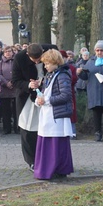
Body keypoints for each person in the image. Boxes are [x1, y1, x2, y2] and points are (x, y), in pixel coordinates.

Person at [12, 43, 57, 170]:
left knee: (44, 128)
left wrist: (43, 82)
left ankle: (46, 158)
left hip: (46, 96)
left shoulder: (50, 50)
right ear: (27, 54)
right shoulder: (19, 58)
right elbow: (15, 81)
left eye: (39, 59)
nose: (38, 61)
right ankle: (31, 160)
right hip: (27, 97)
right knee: (27, 128)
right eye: (34, 60)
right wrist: (28, 85)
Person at [34, 49, 74, 180]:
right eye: (44, 64)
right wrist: (39, 98)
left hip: (57, 115)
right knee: (48, 141)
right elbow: (44, 92)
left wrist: (47, 100)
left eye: (47, 63)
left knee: (56, 143)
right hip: (49, 113)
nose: (45, 66)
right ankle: (49, 169)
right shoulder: (50, 75)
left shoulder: (62, 75)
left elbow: (66, 95)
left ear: (55, 62)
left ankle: (57, 169)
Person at [77, 40, 103, 142]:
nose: (99, 52)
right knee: (96, 113)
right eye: (97, 50)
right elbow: (85, 76)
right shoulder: (90, 61)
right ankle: (97, 132)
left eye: (101, 50)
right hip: (94, 91)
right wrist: (80, 73)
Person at [0, 46, 16, 134]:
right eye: (6, 52)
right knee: (6, 110)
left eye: (9, 51)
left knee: (16, 110)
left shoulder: (16, 61)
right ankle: (7, 128)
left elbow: (19, 72)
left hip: (15, 88)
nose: (8, 53)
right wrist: (6, 82)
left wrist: (13, 81)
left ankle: (17, 127)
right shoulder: (1, 62)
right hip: (4, 89)